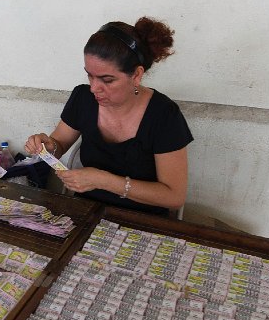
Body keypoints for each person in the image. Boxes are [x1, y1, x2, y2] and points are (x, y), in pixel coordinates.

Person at [25, 17, 192, 216]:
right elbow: (59, 145)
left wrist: (104, 180)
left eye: (107, 80)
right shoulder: (83, 98)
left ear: (137, 75)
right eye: (90, 75)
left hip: (143, 220)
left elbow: (174, 197)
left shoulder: (164, 116)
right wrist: (48, 147)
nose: (95, 88)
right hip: (87, 211)